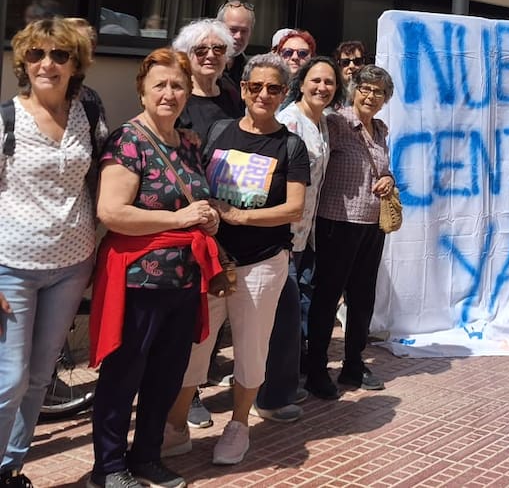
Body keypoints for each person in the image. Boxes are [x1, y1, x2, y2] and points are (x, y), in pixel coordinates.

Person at [162, 54, 309, 467]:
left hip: (262, 262)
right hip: (212, 259)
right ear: (243, 89)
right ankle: (176, 426)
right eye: (255, 86)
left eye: (274, 88)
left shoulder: (291, 146)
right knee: (196, 345)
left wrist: (239, 215)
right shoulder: (219, 131)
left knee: (251, 346)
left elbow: (294, 208)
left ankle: (239, 425)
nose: (263, 95)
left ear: (284, 94)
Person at [89, 49, 222, 488]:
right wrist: (180, 220)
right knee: (123, 374)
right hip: (138, 280)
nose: (169, 93)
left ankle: (146, 455)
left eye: (177, 85)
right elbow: (112, 212)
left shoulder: (188, 143)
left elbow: (195, 200)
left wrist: (208, 218)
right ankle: (108, 467)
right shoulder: (128, 141)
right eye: (159, 85)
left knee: (166, 375)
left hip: (183, 280)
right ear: (142, 91)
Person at [0, 19, 102, 488]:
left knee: (41, 376)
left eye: (60, 55)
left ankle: (12, 467)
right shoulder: (7, 119)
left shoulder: (87, 115)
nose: (47, 64)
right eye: (36, 54)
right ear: (23, 62)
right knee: (9, 380)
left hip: (72, 265)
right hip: (12, 268)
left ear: (76, 64)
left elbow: (102, 174)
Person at [257, 56, 344, 421]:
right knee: (282, 318)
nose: (322, 87)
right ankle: (269, 396)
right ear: (302, 83)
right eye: (316, 80)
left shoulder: (323, 122)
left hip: (305, 235)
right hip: (282, 233)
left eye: (329, 82)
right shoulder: (289, 121)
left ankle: (281, 384)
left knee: (291, 314)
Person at [305, 65, 398, 399]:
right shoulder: (336, 123)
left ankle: (354, 364)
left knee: (362, 298)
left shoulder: (381, 130)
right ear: (354, 89)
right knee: (327, 297)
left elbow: (383, 169)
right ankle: (315, 368)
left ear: (386, 98)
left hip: (372, 226)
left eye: (379, 92)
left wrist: (388, 179)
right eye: (365, 88)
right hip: (336, 223)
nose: (371, 96)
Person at [172, 19, 240, 141]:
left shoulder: (232, 92)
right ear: (186, 56)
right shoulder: (177, 97)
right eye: (201, 50)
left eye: (218, 49)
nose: (211, 55)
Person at [216, 0, 255, 88]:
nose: (238, 36)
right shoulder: (201, 66)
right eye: (233, 30)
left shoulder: (252, 72)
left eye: (244, 31)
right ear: (218, 28)